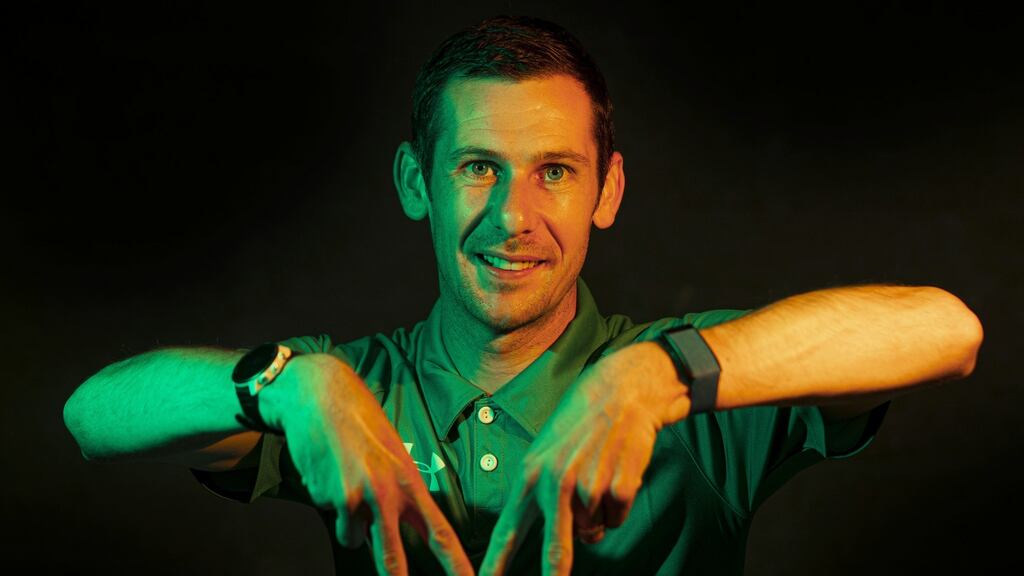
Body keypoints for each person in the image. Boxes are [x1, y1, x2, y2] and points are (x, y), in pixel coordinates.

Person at [62, 15, 984, 576]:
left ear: (607, 192)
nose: (514, 216)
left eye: (554, 171)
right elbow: (91, 415)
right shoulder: (354, 388)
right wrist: (293, 386)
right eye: (477, 168)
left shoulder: (690, 388)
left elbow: (948, 330)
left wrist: (658, 378)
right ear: (416, 183)